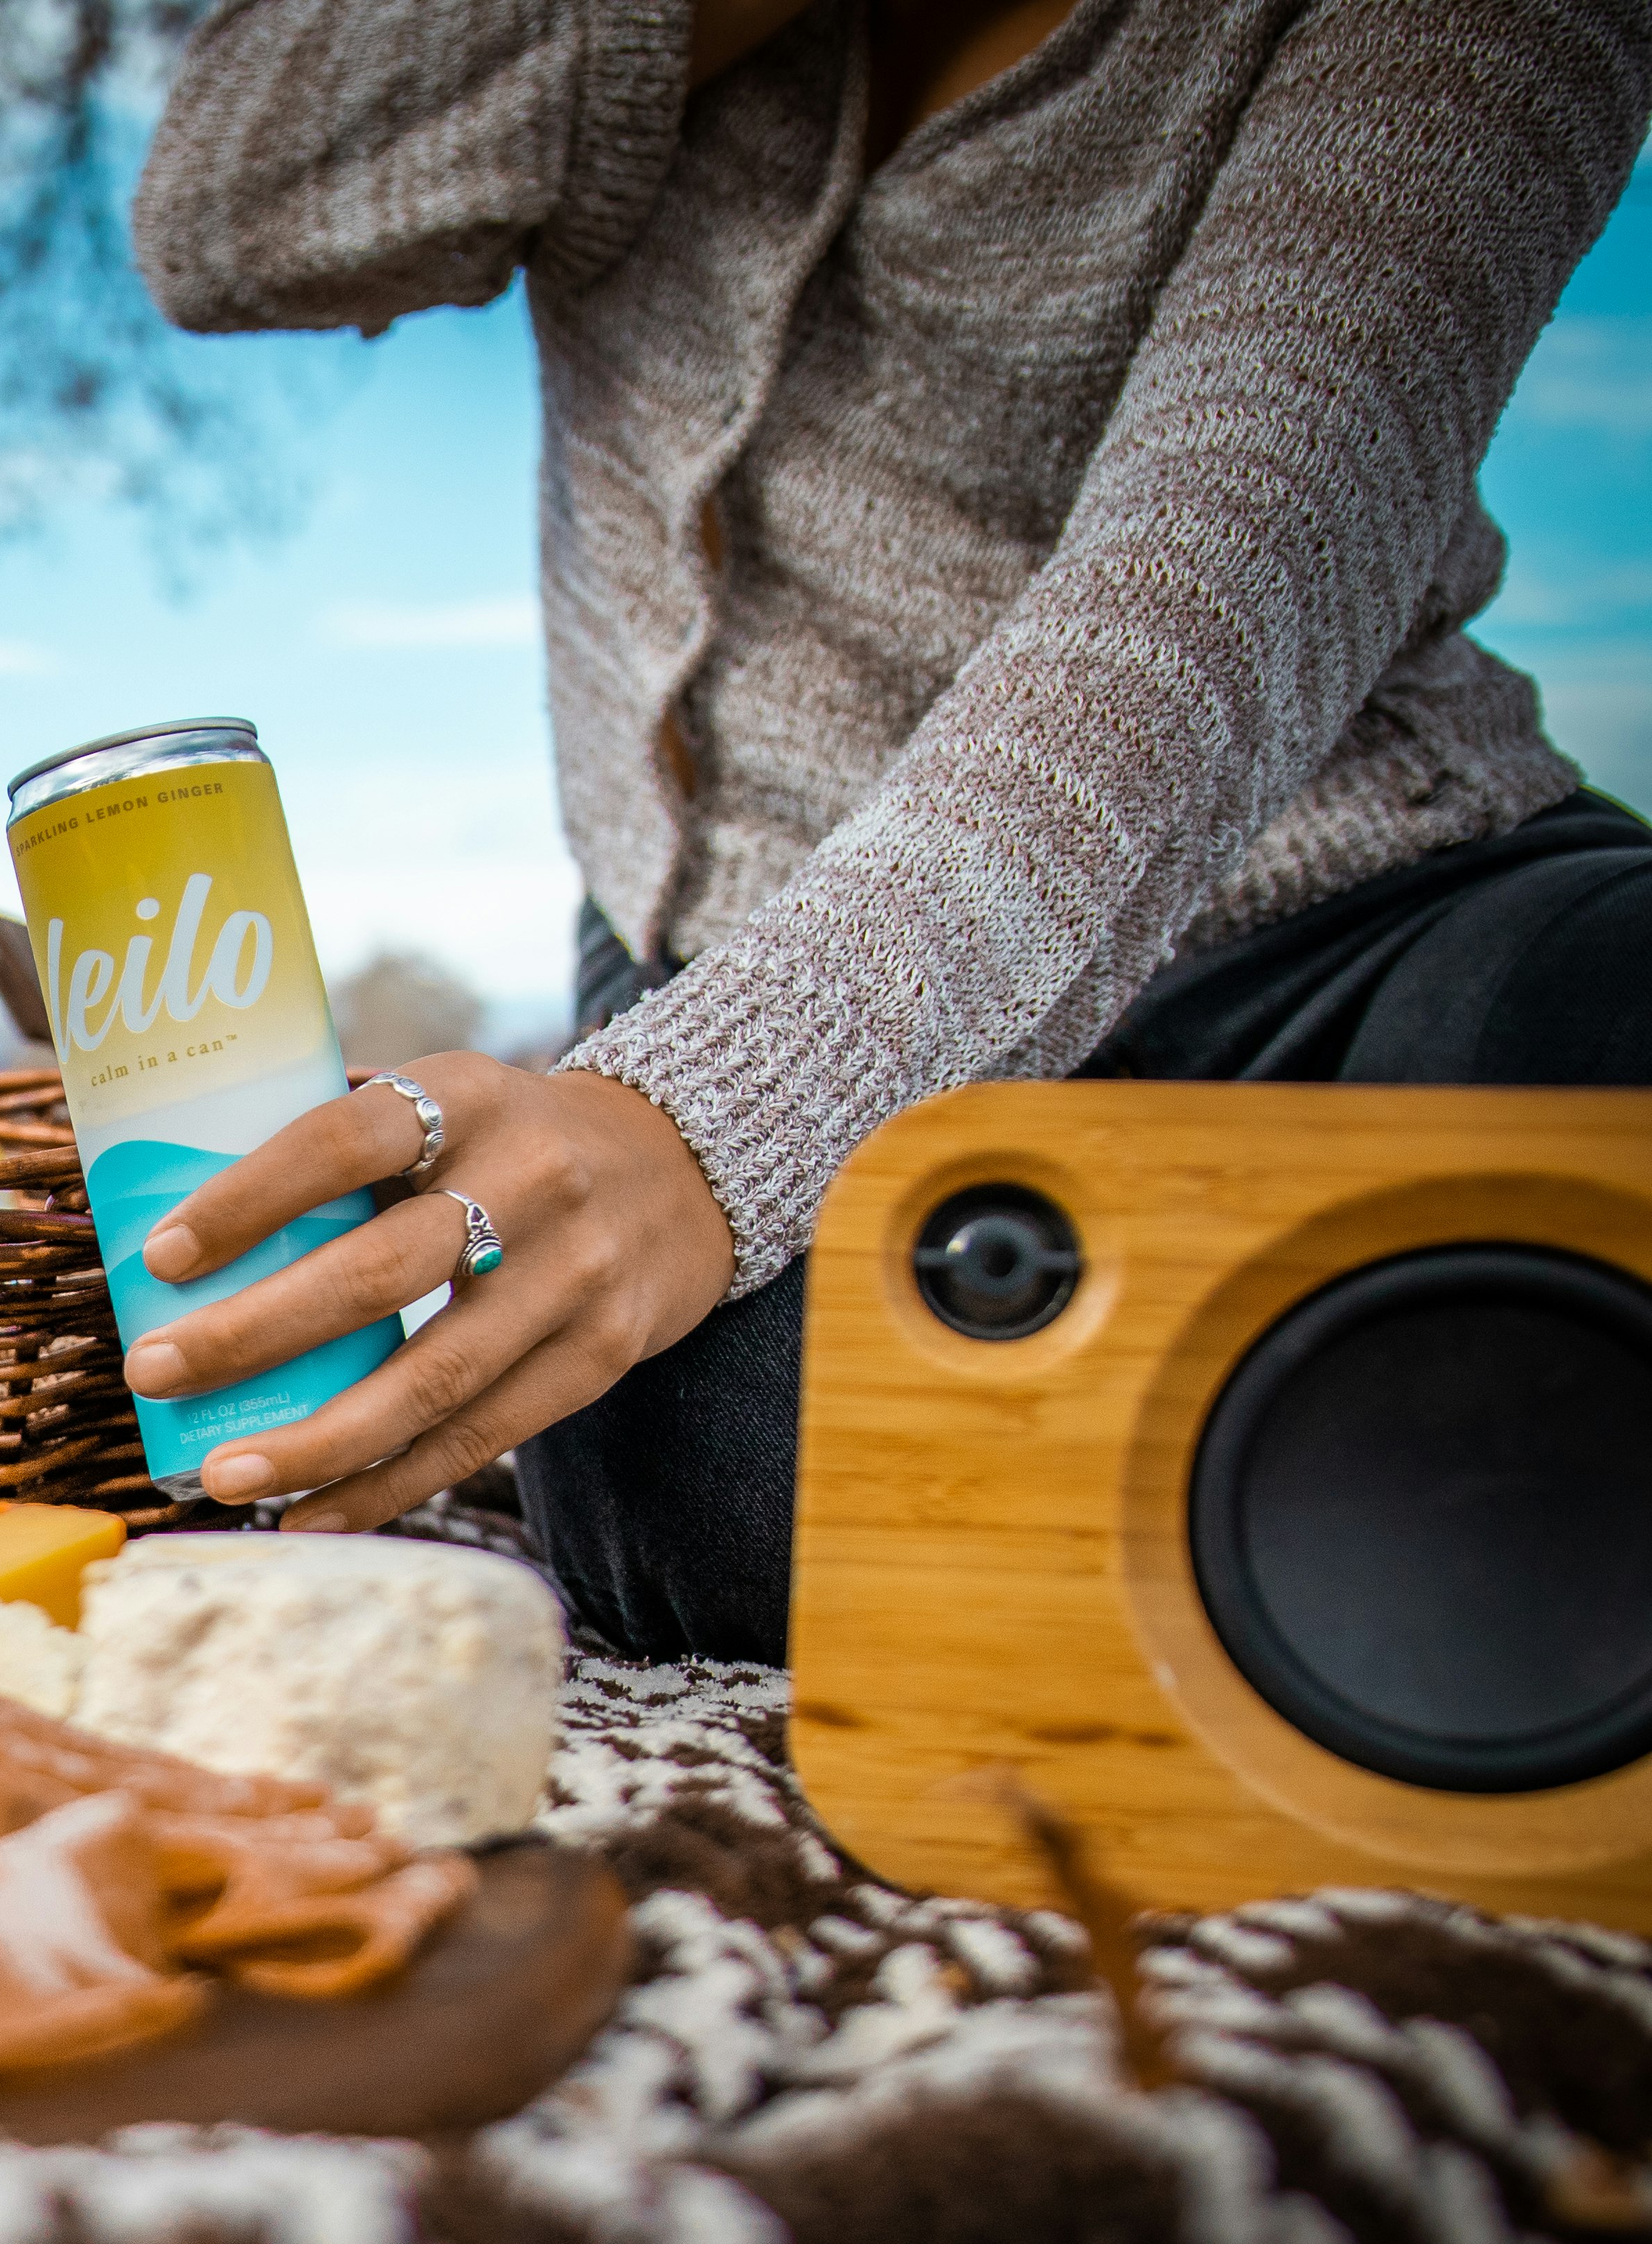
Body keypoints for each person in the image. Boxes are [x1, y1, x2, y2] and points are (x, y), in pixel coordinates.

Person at [110, 0, 1652, 1661]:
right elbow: (229, 207)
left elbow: (1237, 552)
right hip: (734, 953)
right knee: (726, 1469)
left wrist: (710, 1123)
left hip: (1350, 907)